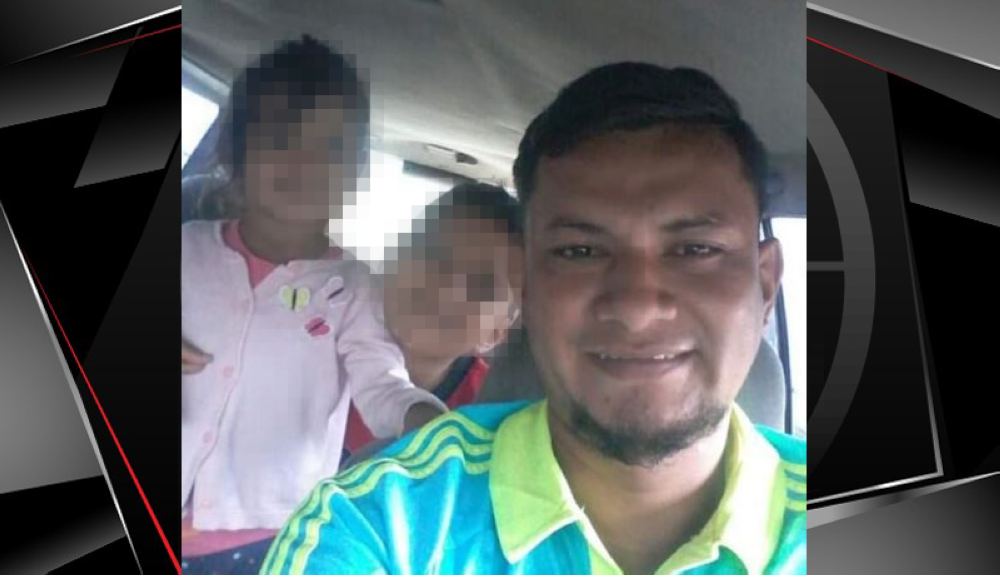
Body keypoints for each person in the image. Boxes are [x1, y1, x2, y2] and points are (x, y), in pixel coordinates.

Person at [262, 62, 806, 575]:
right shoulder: (378, 525)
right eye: (579, 252)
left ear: (765, 284)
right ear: (525, 287)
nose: (638, 308)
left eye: (695, 249)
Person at [180, 35, 445, 574]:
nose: (304, 162)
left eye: (331, 148)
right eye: (281, 138)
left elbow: (381, 383)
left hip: (266, 536)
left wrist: (430, 424)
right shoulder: (184, 247)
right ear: (236, 149)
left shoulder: (353, 287)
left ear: (356, 172)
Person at [341, 183, 522, 462]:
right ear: (393, 256)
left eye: (482, 284)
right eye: (434, 254)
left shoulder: (487, 416)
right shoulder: (315, 340)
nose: (446, 288)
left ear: (495, 333)